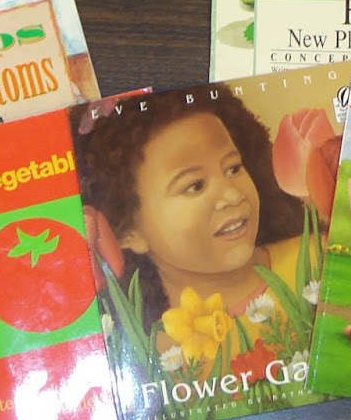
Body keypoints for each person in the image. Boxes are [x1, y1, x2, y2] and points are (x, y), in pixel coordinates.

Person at [76, 89, 311, 351]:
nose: (233, 195)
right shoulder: (156, 351)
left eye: (233, 168)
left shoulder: (317, 259)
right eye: (195, 186)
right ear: (129, 231)